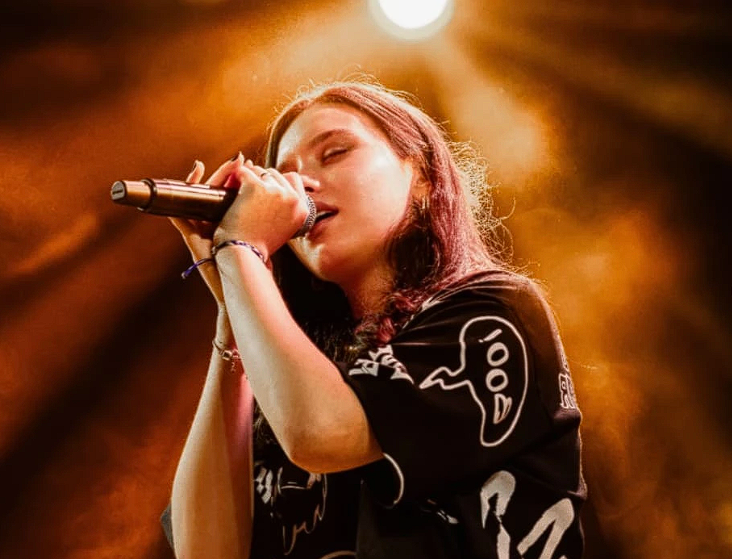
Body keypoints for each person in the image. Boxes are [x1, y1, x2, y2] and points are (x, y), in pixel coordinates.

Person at [161, 79, 586, 559]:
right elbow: (204, 551)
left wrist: (242, 247)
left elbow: (320, 434)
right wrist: (232, 313)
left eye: (335, 152)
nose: (301, 186)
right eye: (284, 176)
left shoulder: (495, 313)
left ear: (421, 175)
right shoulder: (292, 374)